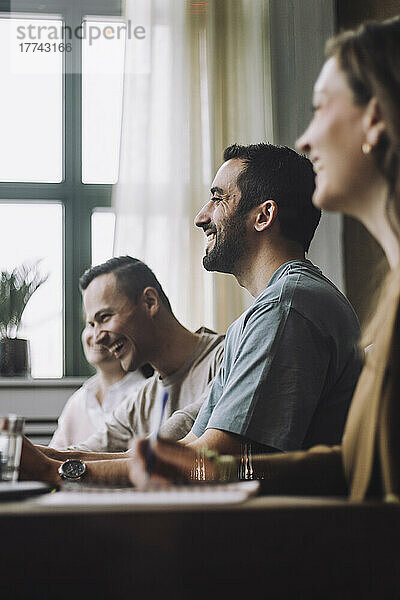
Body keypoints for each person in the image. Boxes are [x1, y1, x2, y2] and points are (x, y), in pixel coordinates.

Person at [129, 16, 400, 503]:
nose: (304, 139)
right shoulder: (388, 294)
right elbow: (349, 463)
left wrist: (205, 468)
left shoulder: (290, 304)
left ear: (376, 119)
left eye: (321, 108)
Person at [49, 325, 151, 450]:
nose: (96, 335)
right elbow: (54, 455)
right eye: (91, 324)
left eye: (105, 324)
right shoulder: (79, 400)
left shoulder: (146, 396)